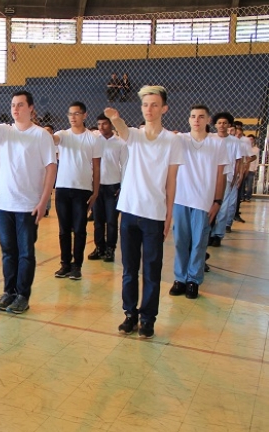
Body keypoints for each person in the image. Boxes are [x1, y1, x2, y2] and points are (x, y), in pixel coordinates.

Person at [105, 85, 184, 339]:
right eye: (145, 105)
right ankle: (130, 314)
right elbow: (124, 131)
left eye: (154, 104)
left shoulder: (173, 141)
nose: (149, 109)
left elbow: (172, 181)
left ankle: (148, 319)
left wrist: (168, 215)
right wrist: (115, 119)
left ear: (164, 108)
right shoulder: (135, 136)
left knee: (152, 270)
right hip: (128, 211)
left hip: (154, 214)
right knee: (129, 269)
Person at [0, 90, 57, 314]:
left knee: (26, 252)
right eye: (13, 105)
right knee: (8, 251)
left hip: (28, 205)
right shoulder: (5, 132)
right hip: (5, 204)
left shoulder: (41, 135)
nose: (15, 109)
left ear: (31, 108)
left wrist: (43, 201)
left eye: (20, 105)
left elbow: (51, 168)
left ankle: (22, 295)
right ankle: (9, 291)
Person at [169, 105, 228, 300]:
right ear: (188, 119)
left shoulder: (217, 143)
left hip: (203, 201)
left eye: (201, 117)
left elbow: (221, 175)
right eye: (193, 116)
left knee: (199, 243)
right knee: (180, 241)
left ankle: (193, 280)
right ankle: (180, 279)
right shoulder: (179, 139)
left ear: (207, 120)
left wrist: (217, 201)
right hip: (181, 198)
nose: (196, 120)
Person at [52, 102, 102, 281]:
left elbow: (96, 167)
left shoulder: (93, 138)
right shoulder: (62, 135)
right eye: (70, 114)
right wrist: (45, 134)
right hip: (63, 189)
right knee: (64, 229)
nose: (73, 117)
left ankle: (77, 266)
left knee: (80, 229)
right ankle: (65, 264)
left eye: (77, 113)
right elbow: (53, 140)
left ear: (84, 115)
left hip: (83, 190)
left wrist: (95, 192)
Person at [87, 114, 126, 263]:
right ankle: (99, 248)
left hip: (113, 187)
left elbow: (124, 165)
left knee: (111, 221)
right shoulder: (95, 142)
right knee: (98, 220)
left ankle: (110, 249)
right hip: (97, 186)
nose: (101, 127)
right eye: (99, 124)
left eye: (104, 124)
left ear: (111, 125)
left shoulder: (120, 143)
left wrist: (122, 187)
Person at [207, 112, 244, 247]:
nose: (222, 125)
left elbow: (238, 160)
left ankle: (218, 235)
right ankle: (209, 233)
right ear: (215, 124)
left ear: (229, 125)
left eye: (224, 123)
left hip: (227, 178)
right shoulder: (210, 139)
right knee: (209, 207)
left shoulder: (234, 141)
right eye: (219, 123)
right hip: (211, 178)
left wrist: (236, 176)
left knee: (223, 209)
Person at [243, 134, 259, 201]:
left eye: (251, 139)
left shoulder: (256, 149)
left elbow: (257, 159)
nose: (250, 141)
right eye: (249, 139)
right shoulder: (244, 148)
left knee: (250, 184)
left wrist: (255, 168)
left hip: (251, 169)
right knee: (243, 184)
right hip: (244, 168)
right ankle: (242, 196)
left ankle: (248, 196)